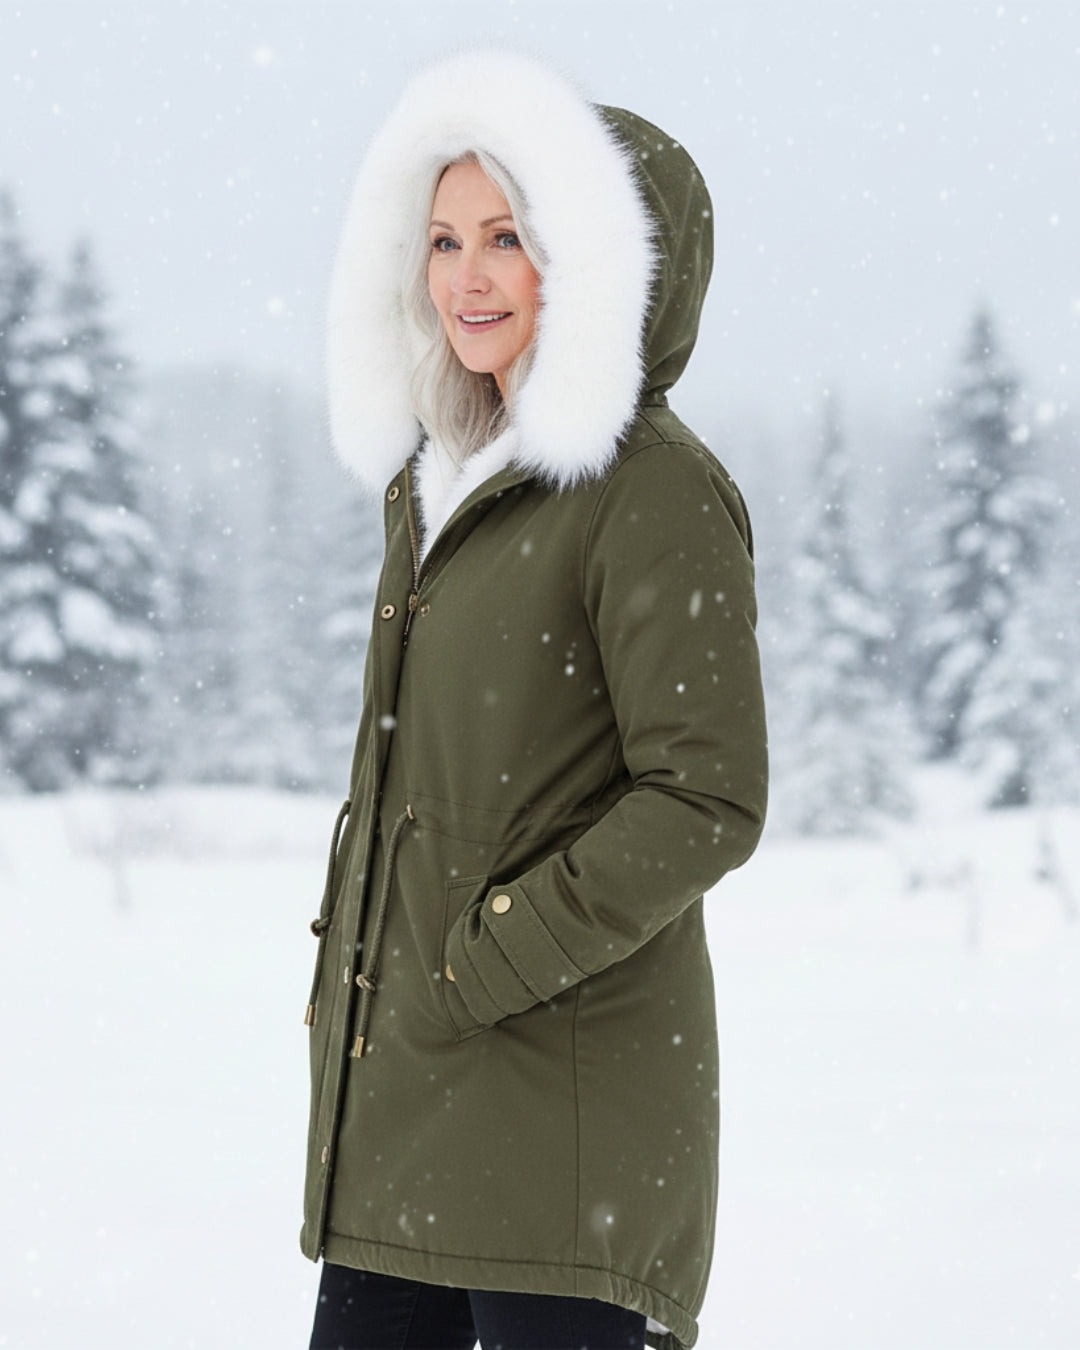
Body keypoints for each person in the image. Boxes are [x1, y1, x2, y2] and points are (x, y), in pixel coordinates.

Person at [302, 50, 768, 1350]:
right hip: (403, 1109)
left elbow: (707, 794)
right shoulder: (437, 480)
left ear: (605, 262)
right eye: (445, 238)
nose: (467, 275)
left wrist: (486, 956)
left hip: (567, 1128)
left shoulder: (651, 488)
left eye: (509, 237)